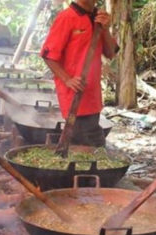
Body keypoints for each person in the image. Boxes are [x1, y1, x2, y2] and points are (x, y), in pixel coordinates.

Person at [40, 0, 118, 147]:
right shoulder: (66, 17)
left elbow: (111, 53)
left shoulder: (98, 18)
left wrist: (105, 29)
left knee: (85, 142)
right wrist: (68, 79)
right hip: (74, 95)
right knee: (90, 143)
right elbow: (48, 55)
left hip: (92, 95)